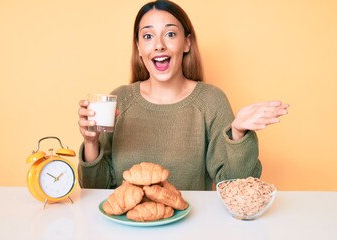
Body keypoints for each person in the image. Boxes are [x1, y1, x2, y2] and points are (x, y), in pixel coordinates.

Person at [77, 0, 289, 190]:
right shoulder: (120, 100)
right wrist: (91, 142)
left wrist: (238, 134)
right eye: (148, 36)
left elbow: (234, 186)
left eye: (170, 34)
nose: (159, 45)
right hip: (125, 231)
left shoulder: (211, 101)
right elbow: (95, 189)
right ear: (139, 47)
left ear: (187, 43)